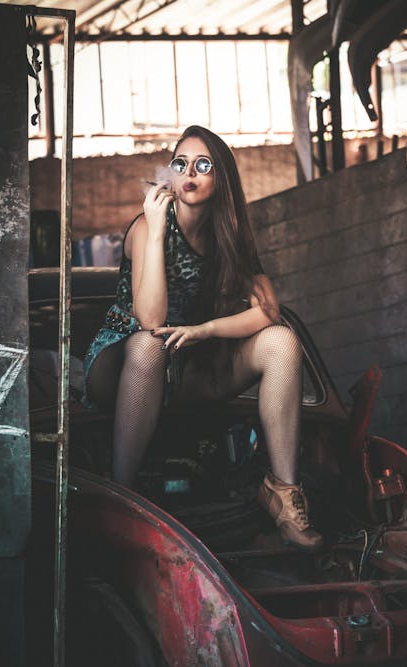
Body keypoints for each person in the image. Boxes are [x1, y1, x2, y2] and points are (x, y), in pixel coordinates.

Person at [83, 125, 323, 552]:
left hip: (189, 365)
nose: (189, 172)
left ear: (220, 178)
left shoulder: (228, 236)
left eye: (203, 164)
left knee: (282, 341)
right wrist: (157, 229)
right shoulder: (145, 226)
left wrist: (205, 331)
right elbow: (150, 320)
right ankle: (121, 497)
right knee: (148, 344)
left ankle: (284, 494)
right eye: (181, 164)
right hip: (121, 362)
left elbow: (268, 311)